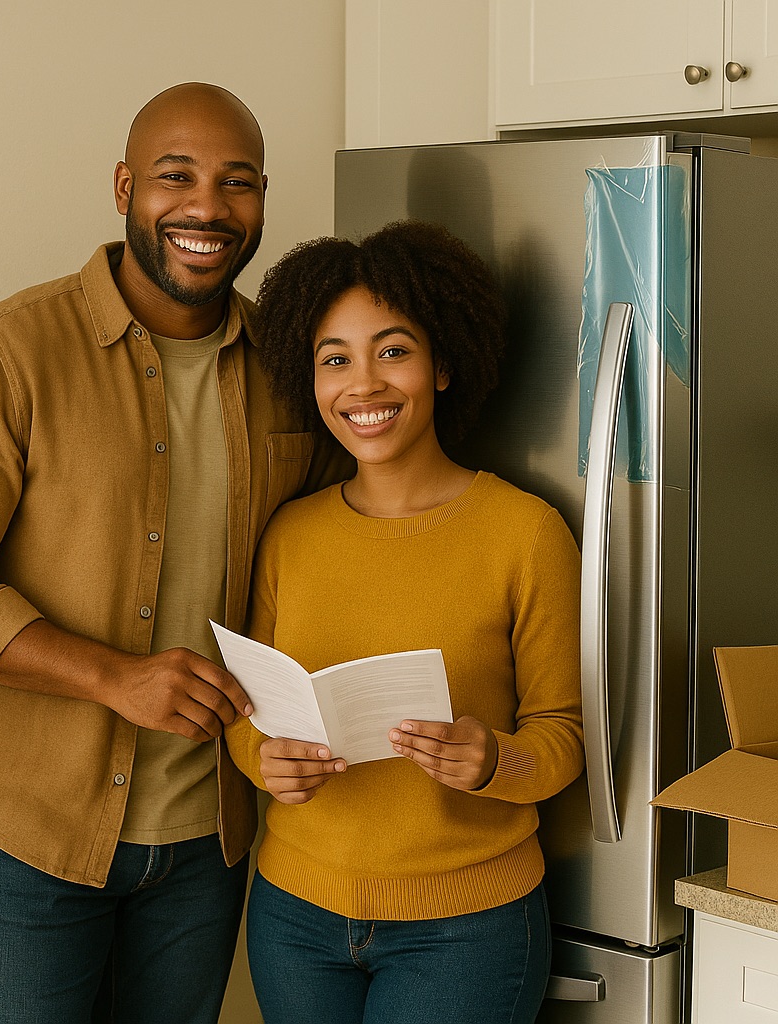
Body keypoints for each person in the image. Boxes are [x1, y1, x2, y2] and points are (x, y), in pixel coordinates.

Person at [0, 83, 339, 1023]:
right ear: (126, 185)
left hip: (209, 840)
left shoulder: (295, 373)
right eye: (177, 176)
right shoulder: (6, 353)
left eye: (237, 183)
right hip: (25, 831)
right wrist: (110, 677)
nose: (207, 207)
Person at [224, 220, 585, 1024]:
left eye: (393, 351)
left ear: (444, 364)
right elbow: (251, 720)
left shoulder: (525, 532)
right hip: (293, 916)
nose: (364, 386)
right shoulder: (290, 534)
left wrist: (494, 761)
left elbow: (562, 736)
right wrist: (265, 762)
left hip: (466, 930)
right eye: (335, 359)